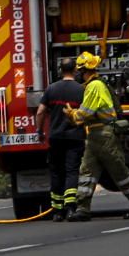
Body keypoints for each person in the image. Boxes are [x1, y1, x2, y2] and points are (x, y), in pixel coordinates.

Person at [66, 51, 129, 222]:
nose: (77, 74)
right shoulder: (92, 85)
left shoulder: (95, 86)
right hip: (95, 135)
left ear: (83, 71)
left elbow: (87, 112)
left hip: (104, 135)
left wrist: (72, 115)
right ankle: (83, 209)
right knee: (87, 172)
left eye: (79, 70)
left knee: (119, 172)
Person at [36, 58, 85, 222]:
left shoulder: (51, 89)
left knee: (56, 172)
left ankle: (57, 211)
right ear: (75, 70)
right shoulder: (81, 90)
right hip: (75, 137)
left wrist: (39, 130)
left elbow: (41, 112)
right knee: (72, 171)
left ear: (60, 70)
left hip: (55, 137)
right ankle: (70, 208)